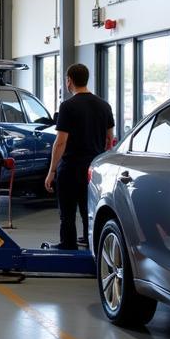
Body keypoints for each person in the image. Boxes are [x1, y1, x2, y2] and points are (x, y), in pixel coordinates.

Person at [43, 63, 114, 250]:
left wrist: (51, 171)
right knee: (87, 208)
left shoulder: (67, 106)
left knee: (67, 210)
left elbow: (60, 142)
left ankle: (68, 243)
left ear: (69, 81)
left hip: (70, 167)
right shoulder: (104, 105)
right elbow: (110, 139)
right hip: (93, 167)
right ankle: (89, 240)